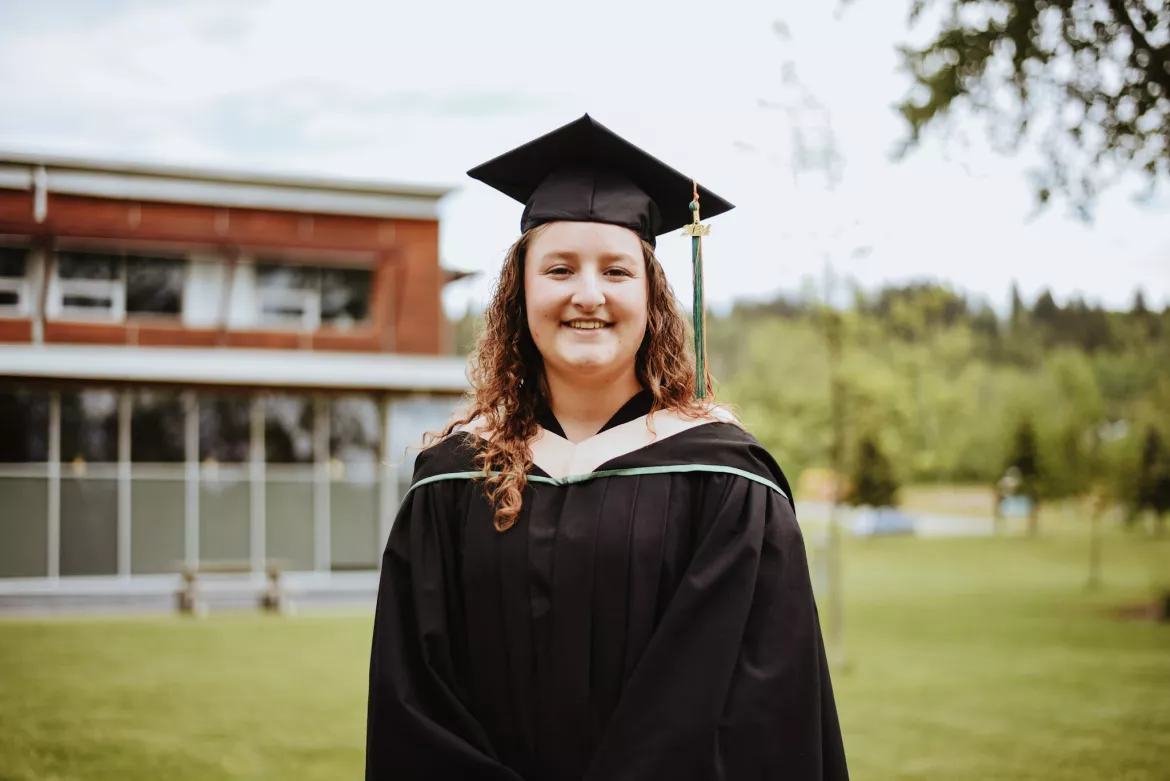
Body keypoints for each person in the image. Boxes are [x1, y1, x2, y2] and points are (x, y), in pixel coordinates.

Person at [365, 114, 849, 781]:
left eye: (616, 271)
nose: (586, 294)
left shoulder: (726, 481)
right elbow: (413, 704)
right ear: (520, 292)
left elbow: (756, 708)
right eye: (559, 267)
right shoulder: (451, 482)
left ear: (652, 297)